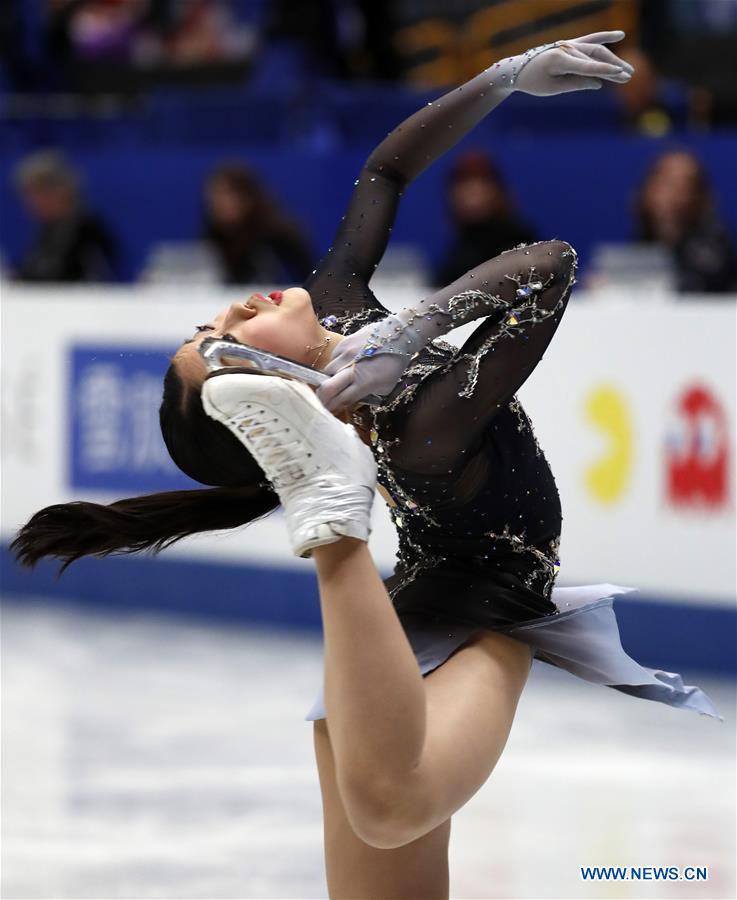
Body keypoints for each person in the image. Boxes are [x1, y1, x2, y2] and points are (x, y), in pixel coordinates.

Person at [13, 32, 721, 899]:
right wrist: (421, 327)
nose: (236, 305)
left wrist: (499, 79)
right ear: (271, 394)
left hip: (399, 612)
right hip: (490, 612)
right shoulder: (424, 431)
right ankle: (327, 502)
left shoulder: (344, 307)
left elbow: (384, 172)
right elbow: (549, 268)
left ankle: (328, 504)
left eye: (210, 322)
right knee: (388, 822)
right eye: (226, 341)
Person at [633, 148, 737, 294]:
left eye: (686, 184)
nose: (676, 192)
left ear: (701, 195)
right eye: (667, 182)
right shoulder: (644, 240)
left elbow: (700, 287)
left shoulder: (715, 246)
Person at [434, 149, 537, 286]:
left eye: (480, 183)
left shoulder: (517, 240)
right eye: (464, 185)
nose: (472, 195)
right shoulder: (464, 240)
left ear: (498, 191)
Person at [12, 150, 118, 283]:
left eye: (37, 194)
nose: (31, 203)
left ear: (62, 192)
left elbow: (99, 283)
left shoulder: (87, 231)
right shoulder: (48, 230)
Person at [202, 162, 313, 286]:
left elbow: (309, 280)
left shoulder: (279, 234)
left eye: (226, 194)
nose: (217, 202)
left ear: (247, 198)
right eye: (214, 195)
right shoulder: (214, 236)